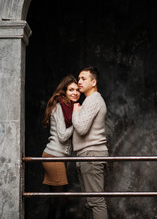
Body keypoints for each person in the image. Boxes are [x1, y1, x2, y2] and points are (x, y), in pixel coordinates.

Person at [41, 75, 81, 219]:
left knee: (54, 200)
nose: (75, 93)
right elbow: (63, 136)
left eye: (77, 90)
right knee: (63, 200)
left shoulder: (68, 107)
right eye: (71, 90)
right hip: (53, 157)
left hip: (57, 157)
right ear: (64, 91)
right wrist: (77, 121)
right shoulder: (59, 107)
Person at [72, 67, 109, 219]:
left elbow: (81, 128)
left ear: (94, 82)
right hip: (87, 154)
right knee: (91, 201)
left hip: (91, 155)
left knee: (96, 201)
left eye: (83, 79)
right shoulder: (89, 100)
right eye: (78, 78)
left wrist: (75, 111)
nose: (79, 82)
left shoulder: (93, 100)